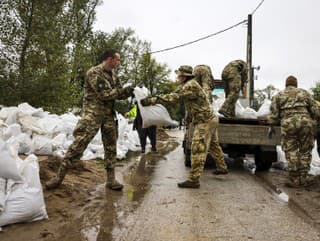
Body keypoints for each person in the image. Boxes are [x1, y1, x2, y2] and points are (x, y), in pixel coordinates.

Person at [46, 49, 134, 191]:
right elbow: (104, 94)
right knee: (79, 144)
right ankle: (58, 177)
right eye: (118, 59)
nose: (119, 62)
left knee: (111, 147)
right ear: (110, 59)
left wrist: (129, 91)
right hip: (93, 115)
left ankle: (111, 180)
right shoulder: (94, 72)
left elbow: (117, 94)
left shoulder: (113, 75)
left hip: (108, 116)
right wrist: (120, 91)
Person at [140, 65, 228, 189]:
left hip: (205, 121)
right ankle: (222, 167)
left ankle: (194, 180)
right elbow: (187, 101)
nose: (177, 77)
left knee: (198, 148)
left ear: (184, 76)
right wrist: (189, 117)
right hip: (211, 119)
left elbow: (173, 98)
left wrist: (151, 100)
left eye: (179, 75)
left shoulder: (190, 85)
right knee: (213, 145)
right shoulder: (188, 85)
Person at [268, 76, 319, 187]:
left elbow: (274, 115)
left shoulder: (278, 95)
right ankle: (303, 177)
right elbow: (316, 112)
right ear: (296, 84)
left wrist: (271, 126)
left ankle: (294, 178)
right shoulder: (305, 93)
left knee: (291, 150)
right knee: (305, 150)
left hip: (288, 123)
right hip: (305, 123)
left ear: (286, 84)